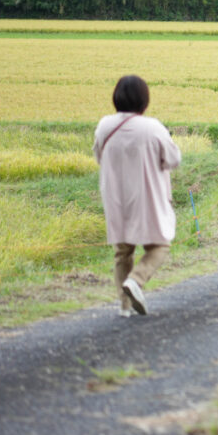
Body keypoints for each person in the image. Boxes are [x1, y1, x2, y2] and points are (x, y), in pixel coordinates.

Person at [93, 75, 181, 317]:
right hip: (148, 197)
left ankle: (124, 306)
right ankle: (136, 280)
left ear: (116, 98)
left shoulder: (104, 126)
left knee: (123, 252)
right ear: (144, 99)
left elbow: (99, 156)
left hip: (116, 198)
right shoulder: (153, 127)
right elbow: (173, 159)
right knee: (160, 244)